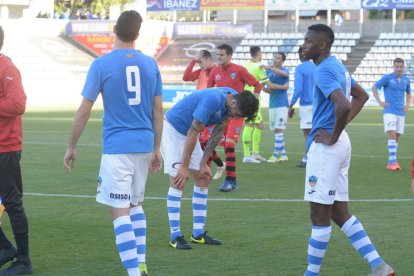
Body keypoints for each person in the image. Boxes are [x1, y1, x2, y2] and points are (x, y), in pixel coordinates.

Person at [63, 11, 163, 276]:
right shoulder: (151, 64)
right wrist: (156, 149)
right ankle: (140, 264)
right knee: (135, 205)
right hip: (144, 145)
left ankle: (134, 273)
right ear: (137, 35)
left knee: (119, 211)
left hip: (118, 148)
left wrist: (71, 145)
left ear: (114, 30)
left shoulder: (102, 64)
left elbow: (84, 110)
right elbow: (158, 112)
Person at [301, 24, 394, 276]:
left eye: (309, 41)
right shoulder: (337, 67)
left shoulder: (323, 71)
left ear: (323, 45)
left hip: (327, 149)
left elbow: (343, 105)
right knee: (339, 211)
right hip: (341, 146)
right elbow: (361, 96)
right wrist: (338, 132)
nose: (304, 45)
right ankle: (378, 265)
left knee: (318, 213)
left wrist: (332, 134)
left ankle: (311, 273)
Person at [162, 87, 258, 249]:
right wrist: (185, 167)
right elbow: (194, 131)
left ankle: (197, 233)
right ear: (233, 102)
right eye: (236, 114)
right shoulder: (213, 99)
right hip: (172, 129)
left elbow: (217, 133)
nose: (235, 117)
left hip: (189, 133)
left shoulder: (232, 102)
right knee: (178, 179)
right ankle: (175, 235)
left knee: (204, 177)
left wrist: (203, 163)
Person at [0, 25, 33, 275]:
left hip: (6, 147)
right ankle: (5, 249)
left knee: (12, 203)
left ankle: (23, 261)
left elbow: (17, 103)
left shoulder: (7, 67)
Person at [207, 44, 262, 192]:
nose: (218, 58)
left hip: (236, 114)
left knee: (229, 145)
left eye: (221, 55)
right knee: (205, 142)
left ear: (229, 56)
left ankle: (230, 180)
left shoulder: (239, 70)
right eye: (217, 55)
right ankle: (215, 168)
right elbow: (208, 90)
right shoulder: (214, 72)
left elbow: (257, 85)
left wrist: (254, 101)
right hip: (220, 114)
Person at [182, 50, 226, 180]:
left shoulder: (218, 71)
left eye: (200, 62)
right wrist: (193, 61)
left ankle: (205, 170)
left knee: (205, 141)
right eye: (198, 62)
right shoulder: (201, 71)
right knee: (202, 142)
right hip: (200, 110)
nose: (199, 65)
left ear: (208, 59)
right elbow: (185, 77)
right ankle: (218, 165)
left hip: (213, 111)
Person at [242, 46, 284, 163]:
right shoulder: (259, 68)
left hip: (248, 97)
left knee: (259, 126)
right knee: (249, 125)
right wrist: (283, 87)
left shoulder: (246, 65)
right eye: (261, 54)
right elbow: (269, 84)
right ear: (258, 54)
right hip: (252, 99)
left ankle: (255, 153)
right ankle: (246, 155)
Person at [372, 57, 411, 171]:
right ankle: (393, 162)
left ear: (404, 67)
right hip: (389, 111)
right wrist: (380, 102)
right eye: (397, 66)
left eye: (401, 67)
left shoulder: (406, 80)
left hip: (400, 112)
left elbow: (409, 93)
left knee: (397, 135)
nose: (399, 69)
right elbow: (374, 87)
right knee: (392, 134)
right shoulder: (387, 78)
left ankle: (391, 161)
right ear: (393, 67)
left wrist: (407, 104)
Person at [288, 47, 316, 167]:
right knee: (316, 132)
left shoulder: (300, 68)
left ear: (301, 55)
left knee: (308, 134)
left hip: (306, 105)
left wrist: (291, 104)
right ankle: (314, 157)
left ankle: (307, 158)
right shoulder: (316, 67)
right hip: (318, 104)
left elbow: (298, 89)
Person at [262, 52, 290, 163]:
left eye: (278, 58)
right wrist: (265, 87)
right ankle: (283, 155)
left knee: (279, 129)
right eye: (274, 57)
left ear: (282, 61)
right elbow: (268, 89)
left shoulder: (285, 71)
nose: (275, 59)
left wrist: (270, 68)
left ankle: (275, 155)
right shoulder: (268, 71)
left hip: (282, 104)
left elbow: (284, 75)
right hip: (272, 104)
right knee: (276, 130)